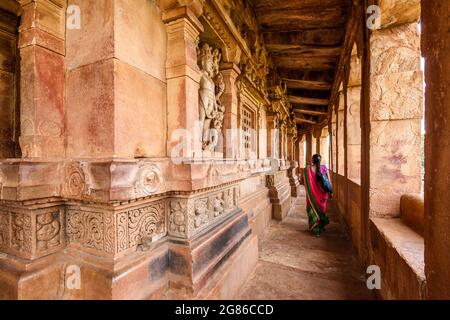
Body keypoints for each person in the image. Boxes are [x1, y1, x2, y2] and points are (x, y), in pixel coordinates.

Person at [303, 154, 332, 236]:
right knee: (321, 211)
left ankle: (315, 229)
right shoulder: (324, 168)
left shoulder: (308, 169)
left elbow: (304, 179)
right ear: (320, 160)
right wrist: (331, 192)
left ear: (312, 160)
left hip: (312, 194)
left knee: (313, 210)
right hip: (322, 195)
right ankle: (320, 227)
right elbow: (328, 181)